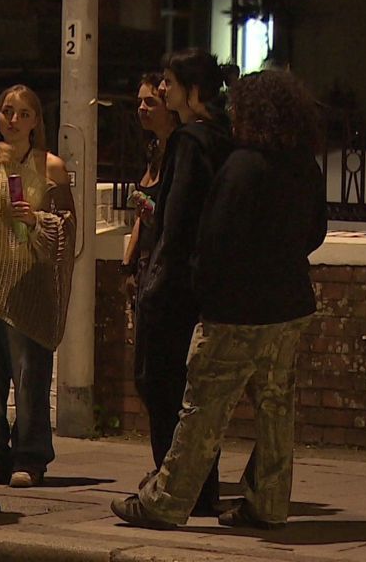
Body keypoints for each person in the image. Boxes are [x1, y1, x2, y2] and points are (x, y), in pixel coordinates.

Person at [112, 69, 328, 530]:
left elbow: (213, 241)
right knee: (275, 409)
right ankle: (267, 503)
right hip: (289, 304)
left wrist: (207, 291)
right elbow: (316, 232)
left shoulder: (243, 166)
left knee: (202, 410)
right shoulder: (304, 164)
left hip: (237, 310)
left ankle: (166, 502)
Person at [133, 49, 235, 516]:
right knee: (194, 395)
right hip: (208, 282)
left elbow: (177, 219)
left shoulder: (189, 142)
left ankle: (172, 484)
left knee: (161, 385)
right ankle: (200, 487)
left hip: (174, 286)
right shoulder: (224, 138)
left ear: (192, 91)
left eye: (169, 83)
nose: (161, 90)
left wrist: (154, 279)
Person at [0, 85, 76, 488]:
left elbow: (67, 231)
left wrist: (35, 221)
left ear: (36, 122)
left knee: (29, 376)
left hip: (29, 284)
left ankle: (29, 457)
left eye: (23, 114)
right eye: (7, 112)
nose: (13, 120)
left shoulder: (51, 167)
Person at [121, 73, 178, 292]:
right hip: (146, 261)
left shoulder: (180, 151)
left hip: (165, 263)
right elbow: (140, 218)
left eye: (150, 102)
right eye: (140, 102)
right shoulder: (154, 149)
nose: (142, 108)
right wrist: (127, 264)